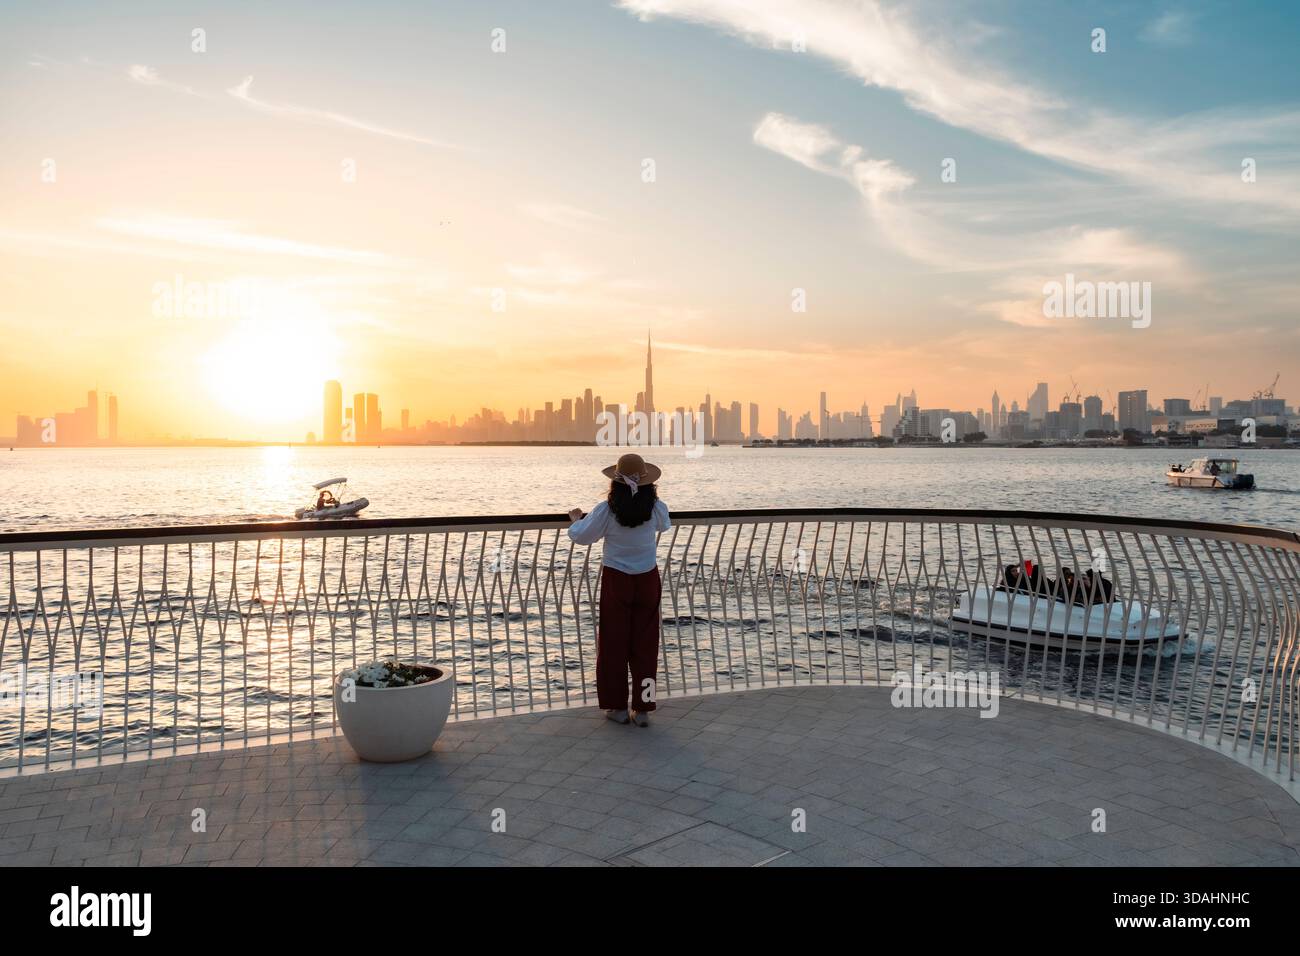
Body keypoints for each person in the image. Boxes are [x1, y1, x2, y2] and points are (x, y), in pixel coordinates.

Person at [568, 453, 671, 727]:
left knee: (613, 645)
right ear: (648, 482)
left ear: (615, 481)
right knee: (646, 646)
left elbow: (581, 536)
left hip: (617, 579)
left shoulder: (607, 509)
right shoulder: (655, 507)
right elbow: (664, 524)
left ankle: (617, 707)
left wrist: (576, 519)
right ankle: (643, 708)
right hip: (647, 578)